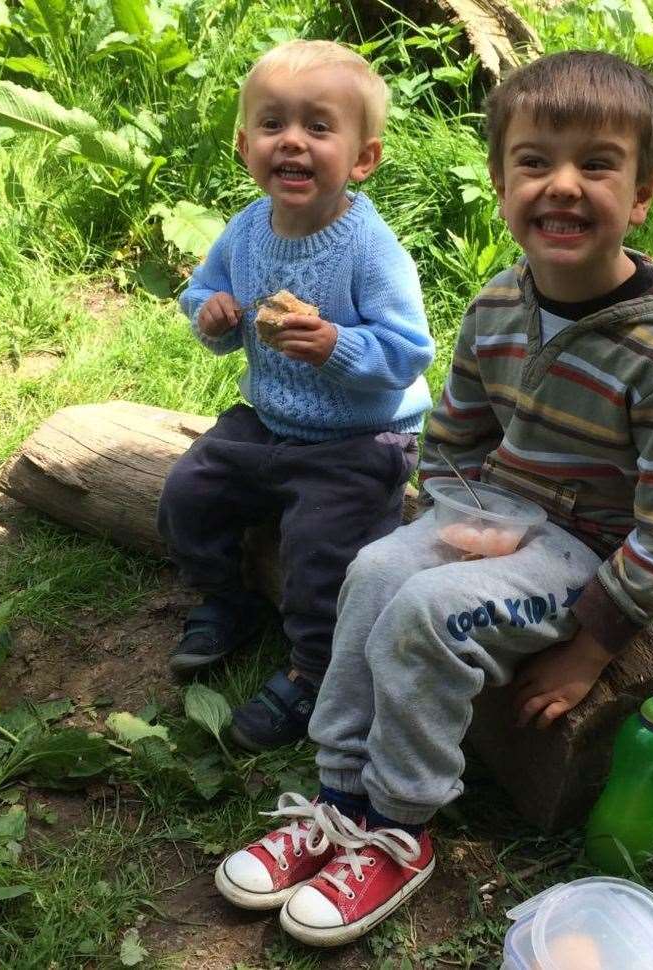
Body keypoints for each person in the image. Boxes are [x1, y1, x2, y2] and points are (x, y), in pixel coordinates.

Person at [214, 50, 653, 945]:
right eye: (535, 163)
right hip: (498, 517)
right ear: (502, 183)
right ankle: (338, 792)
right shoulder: (500, 303)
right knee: (377, 567)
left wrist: (591, 646)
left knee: (427, 611)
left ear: (645, 191)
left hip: (587, 550)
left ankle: (400, 826)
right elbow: (457, 434)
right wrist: (447, 517)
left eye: (598, 165)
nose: (563, 187)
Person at [157, 40, 435, 751]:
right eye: (274, 124)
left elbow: (408, 353)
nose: (293, 142)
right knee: (187, 492)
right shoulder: (248, 230)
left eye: (318, 127)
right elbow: (203, 291)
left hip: (358, 437)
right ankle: (229, 599)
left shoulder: (369, 249)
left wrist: (339, 346)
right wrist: (210, 313)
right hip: (268, 419)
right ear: (246, 145)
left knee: (321, 551)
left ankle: (313, 670)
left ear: (362, 158)